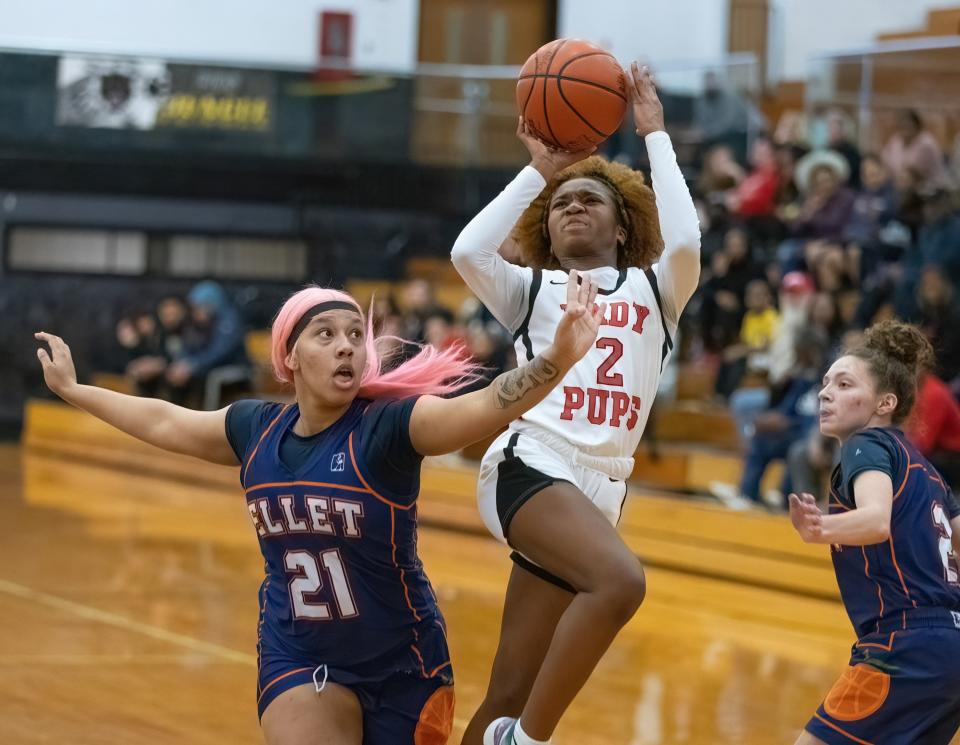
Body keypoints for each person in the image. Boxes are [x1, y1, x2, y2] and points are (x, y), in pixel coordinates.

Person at [34, 278, 606, 745]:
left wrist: (555, 359)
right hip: (298, 653)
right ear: (289, 356)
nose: (347, 345)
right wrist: (76, 390)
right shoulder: (254, 429)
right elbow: (163, 420)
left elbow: (484, 406)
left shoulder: (390, 428)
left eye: (356, 334)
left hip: (404, 662)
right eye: (326, 334)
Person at [451, 63, 701, 745]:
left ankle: (506, 729)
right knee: (621, 582)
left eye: (589, 199)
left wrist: (654, 134)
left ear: (622, 227)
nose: (572, 206)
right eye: (560, 205)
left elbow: (684, 240)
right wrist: (540, 170)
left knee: (510, 687)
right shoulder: (530, 290)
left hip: (603, 486)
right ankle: (528, 741)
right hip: (532, 461)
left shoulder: (657, 289)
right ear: (548, 231)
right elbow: (468, 249)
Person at [788, 320, 960, 745]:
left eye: (845, 384)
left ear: (885, 402)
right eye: (826, 382)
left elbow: (875, 520)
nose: (826, 392)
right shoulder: (928, 471)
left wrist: (819, 527)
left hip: (903, 641)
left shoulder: (866, 445)